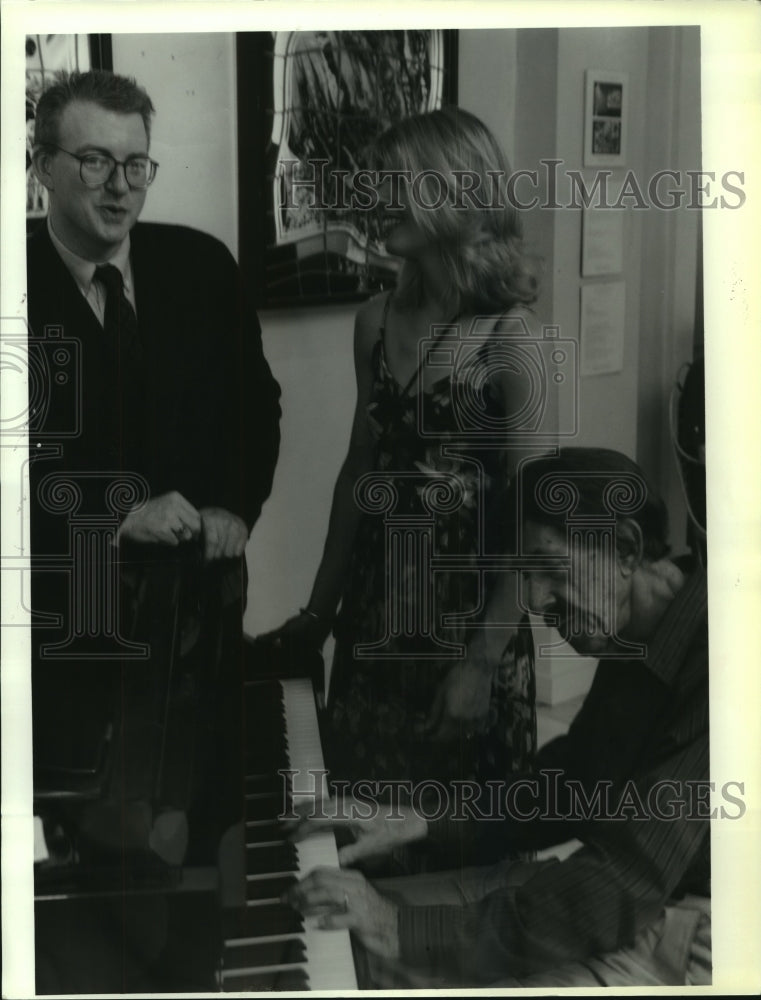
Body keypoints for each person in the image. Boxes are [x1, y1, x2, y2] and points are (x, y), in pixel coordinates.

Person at [284, 448, 711, 988]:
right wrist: (418, 820)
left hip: (698, 929)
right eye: (525, 574)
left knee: (380, 949)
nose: (534, 599)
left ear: (625, 546)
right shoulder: (636, 627)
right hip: (626, 896)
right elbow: (573, 784)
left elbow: (623, 881)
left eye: (548, 567)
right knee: (336, 935)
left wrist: (400, 928)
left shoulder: (726, 652)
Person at [27, 69, 281, 883]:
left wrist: (233, 505)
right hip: (66, 642)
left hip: (201, 615)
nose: (120, 186)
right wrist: (111, 515)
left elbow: (255, 409)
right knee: (100, 871)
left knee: (206, 841)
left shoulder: (201, 265)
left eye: (136, 164)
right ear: (42, 165)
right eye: (95, 161)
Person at [262, 108, 541, 796]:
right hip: (373, 621)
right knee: (356, 825)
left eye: (393, 183)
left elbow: (537, 521)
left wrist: (482, 661)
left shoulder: (512, 338)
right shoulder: (374, 322)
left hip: (468, 630)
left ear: (453, 191)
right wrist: (318, 614)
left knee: (459, 839)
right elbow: (359, 474)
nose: (374, 201)